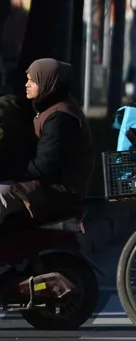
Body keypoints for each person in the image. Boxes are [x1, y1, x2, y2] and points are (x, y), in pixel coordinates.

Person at [0, 59, 93, 229]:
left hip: (61, 188)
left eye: (32, 80)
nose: (27, 85)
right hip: (49, 182)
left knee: (2, 194)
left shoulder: (60, 117)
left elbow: (44, 165)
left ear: (47, 82)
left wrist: (8, 170)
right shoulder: (48, 107)